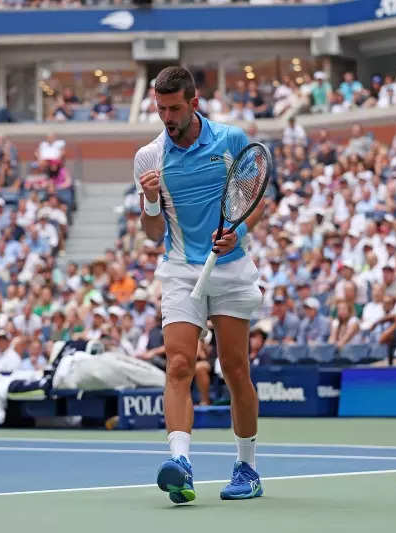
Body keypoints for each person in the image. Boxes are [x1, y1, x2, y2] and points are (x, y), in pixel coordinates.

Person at [134, 67, 266, 503]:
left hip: (229, 268)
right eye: (160, 109)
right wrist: (150, 199)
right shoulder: (149, 157)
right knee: (178, 365)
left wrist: (238, 233)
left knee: (234, 368)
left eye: (174, 108)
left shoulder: (230, 140)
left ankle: (246, 466)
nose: (167, 117)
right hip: (179, 268)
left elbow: (253, 204)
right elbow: (153, 233)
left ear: (194, 102)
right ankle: (182, 464)